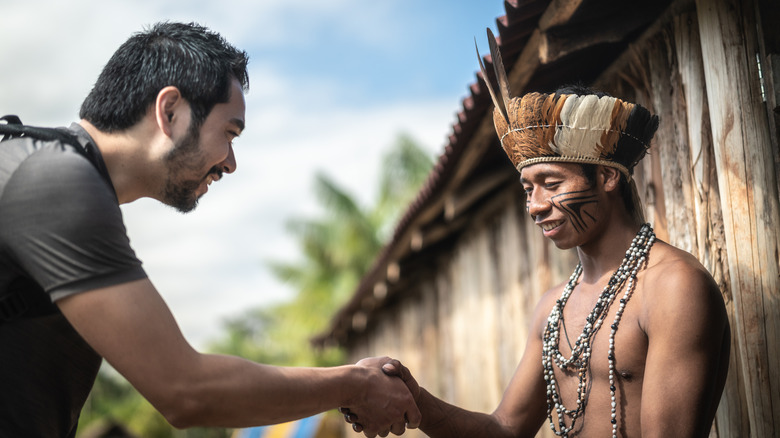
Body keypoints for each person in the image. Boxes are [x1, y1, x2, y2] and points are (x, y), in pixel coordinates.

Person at [0, 21, 419, 438]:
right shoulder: (54, 182)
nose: (231, 162)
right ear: (170, 113)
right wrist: (356, 384)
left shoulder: (45, 168)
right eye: (229, 133)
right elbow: (185, 389)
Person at [341, 35, 730, 438]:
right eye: (528, 188)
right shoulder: (553, 308)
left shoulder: (672, 288)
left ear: (608, 176)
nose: (535, 205)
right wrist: (416, 401)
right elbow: (505, 429)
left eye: (551, 183)